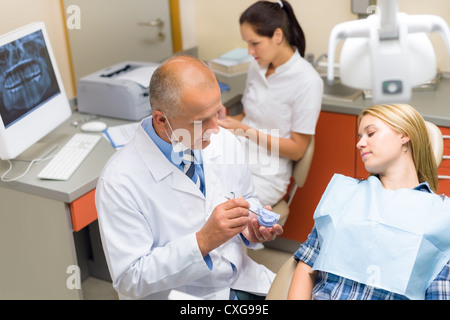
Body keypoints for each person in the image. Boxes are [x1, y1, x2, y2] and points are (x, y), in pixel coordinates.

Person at [95, 55, 283, 300]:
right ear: (162, 120)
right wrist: (203, 241)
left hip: (240, 278)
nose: (216, 128)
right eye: (202, 121)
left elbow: (246, 195)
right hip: (183, 295)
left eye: (216, 112)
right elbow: (130, 280)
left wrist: (251, 225)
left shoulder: (221, 140)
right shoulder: (118, 182)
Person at [288, 104, 450, 300]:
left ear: (404, 135)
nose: (360, 143)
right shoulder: (345, 196)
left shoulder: (440, 218)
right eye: (359, 137)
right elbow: (307, 264)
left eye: (370, 133)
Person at [217, 0, 323, 207]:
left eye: (254, 44)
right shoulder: (256, 67)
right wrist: (225, 121)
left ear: (277, 36)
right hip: (237, 156)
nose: (249, 51)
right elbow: (249, 116)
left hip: (267, 174)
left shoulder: (307, 81)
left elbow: (297, 150)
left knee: (221, 210)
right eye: (247, 44)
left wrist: (243, 129)